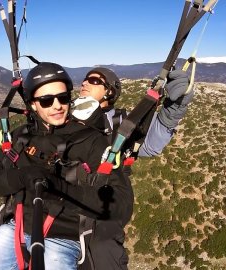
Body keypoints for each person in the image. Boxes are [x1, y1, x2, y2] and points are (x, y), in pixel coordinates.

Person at [0, 62, 133, 270]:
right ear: (33, 105)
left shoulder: (91, 141)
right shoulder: (21, 137)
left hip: (64, 237)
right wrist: (22, 177)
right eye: (46, 100)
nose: (57, 105)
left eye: (63, 97)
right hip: (17, 229)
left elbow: (122, 206)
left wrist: (61, 189)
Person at [78, 67, 193, 269]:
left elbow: (149, 144)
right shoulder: (61, 115)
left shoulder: (121, 124)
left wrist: (172, 110)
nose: (84, 83)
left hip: (100, 221)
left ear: (110, 91)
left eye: (95, 81)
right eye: (85, 80)